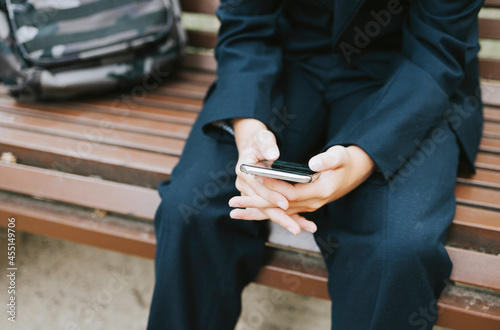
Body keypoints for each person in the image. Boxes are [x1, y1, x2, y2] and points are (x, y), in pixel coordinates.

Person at [147, 0, 483, 329]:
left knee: (396, 251)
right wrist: (248, 129)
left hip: (406, 82)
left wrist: (361, 161)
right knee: (189, 211)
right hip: (284, 68)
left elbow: (435, 50)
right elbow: (245, 24)